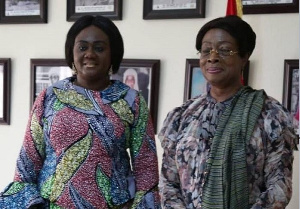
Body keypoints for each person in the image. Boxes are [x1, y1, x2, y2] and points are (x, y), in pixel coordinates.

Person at [0, 15, 160, 209]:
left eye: (99, 48)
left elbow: (146, 170)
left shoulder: (132, 101)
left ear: (113, 54)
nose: (90, 54)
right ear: (72, 52)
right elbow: (27, 164)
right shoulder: (49, 97)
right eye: (82, 47)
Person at [159, 15, 298, 209]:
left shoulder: (271, 115)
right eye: (206, 50)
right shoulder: (182, 115)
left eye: (224, 50)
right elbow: (168, 183)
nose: (212, 57)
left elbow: (279, 187)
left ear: (244, 56)